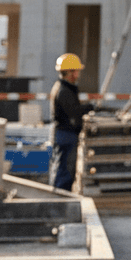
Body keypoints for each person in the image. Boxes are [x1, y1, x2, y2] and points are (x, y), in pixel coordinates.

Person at [48, 52, 91, 191]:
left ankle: (59, 199)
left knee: (62, 170)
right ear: (70, 72)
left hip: (64, 134)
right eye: (76, 71)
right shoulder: (64, 91)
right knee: (64, 172)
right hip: (66, 135)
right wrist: (87, 108)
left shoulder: (64, 88)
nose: (78, 74)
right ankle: (59, 202)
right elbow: (74, 113)